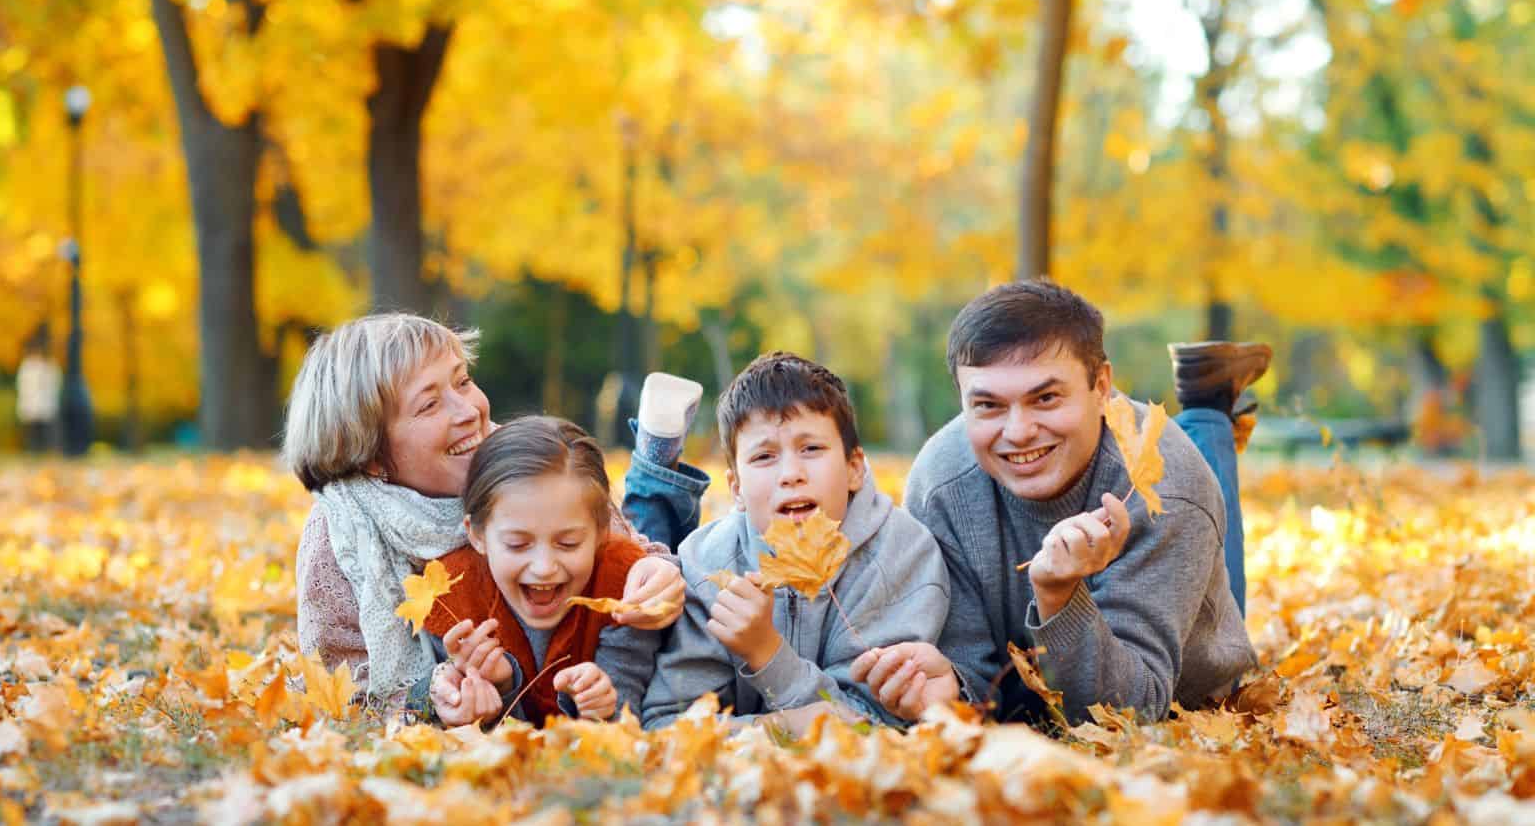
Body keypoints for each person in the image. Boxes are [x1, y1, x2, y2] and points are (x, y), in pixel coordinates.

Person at [852, 280, 1264, 725]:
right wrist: (950, 688)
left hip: (1182, 678)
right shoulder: (940, 482)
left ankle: (1210, 407)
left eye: (1045, 398)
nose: (1018, 431)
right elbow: (972, 669)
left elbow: (1131, 714)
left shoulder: (1168, 485)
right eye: (988, 405)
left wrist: (1060, 596)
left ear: (1101, 386)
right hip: (1034, 690)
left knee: (1202, 494)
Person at [285, 313, 703, 711]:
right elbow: (341, 691)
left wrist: (657, 570)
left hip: (581, 649)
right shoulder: (341, 536)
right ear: (369, 453)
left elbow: (615, 540)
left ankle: (654, 466)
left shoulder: (512, 461)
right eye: (429, 405)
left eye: (463, 381)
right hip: (519, 683)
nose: (469, 412)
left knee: (658, 540)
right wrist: (431, 700)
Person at [639, 352, 951, 732]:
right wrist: (787, 727)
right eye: (765, 456)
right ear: (736, 488)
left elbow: (872, 728)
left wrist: (766, 653)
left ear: (854, 468)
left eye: (811, 449)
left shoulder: (902, 555)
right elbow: (667, 725)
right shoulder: (708, 565)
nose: (791, 474)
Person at [422, 417, 661, 725]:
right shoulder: (450, 593)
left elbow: (627, 716)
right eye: (518, 544)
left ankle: (659, 471)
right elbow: (424, 706)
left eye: (568, 543)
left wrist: (599, 705)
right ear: (477, 535)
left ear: (602, 531)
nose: (544, 568)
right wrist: (497, 690)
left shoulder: (623, 588)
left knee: (658, 516)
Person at [17, 331, 61, 454]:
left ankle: (46, 450)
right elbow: (24, 386)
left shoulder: (49, 366)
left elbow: (53, 385)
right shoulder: (27, 366)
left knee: (46, 431)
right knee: (32, 432)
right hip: (31, 403)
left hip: (45, 404)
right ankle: (33, 450)